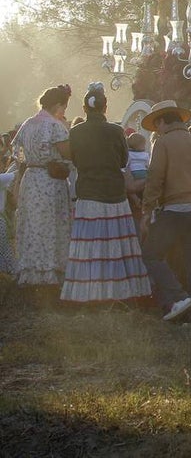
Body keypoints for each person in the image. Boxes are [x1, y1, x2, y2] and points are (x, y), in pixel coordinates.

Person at [59, 83, 150, 304]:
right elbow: (122, 160)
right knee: (114, 243)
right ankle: (119, 292)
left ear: (84, 108)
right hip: (114, 194)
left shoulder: (76, 132)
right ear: (105, 107)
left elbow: (75, 160)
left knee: (90, 244)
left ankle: (87, 293)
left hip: (88, 193)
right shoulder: (116, 131)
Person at [139, 100, 191, 326]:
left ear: (163, 121)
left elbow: (155, 179)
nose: (157, 130)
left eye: (157, 125)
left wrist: (146, 210)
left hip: (175, 209)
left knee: (151, 254)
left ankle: (179, 299)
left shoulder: (163, 143)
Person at [12, 84, 73, 290]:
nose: (64, 111)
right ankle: (50, 270)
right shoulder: (55, 126)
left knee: (33, 224)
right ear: (57, 105)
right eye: (64, 107)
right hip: (49, 179)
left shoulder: (28, 124)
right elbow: (67, 153)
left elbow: (18, 154)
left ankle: (31, 270)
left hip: (31, 178)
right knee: (50, 223)